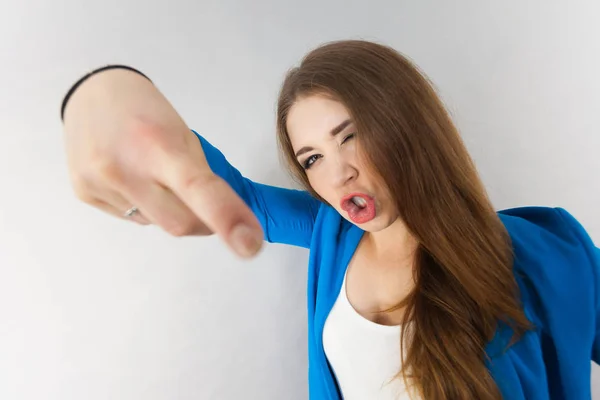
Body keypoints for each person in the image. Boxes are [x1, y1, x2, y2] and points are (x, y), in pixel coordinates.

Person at [60, 40, 599, 399]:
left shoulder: (550, 252)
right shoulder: (331, 234)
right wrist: (104, 86)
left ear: (406, 125)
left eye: (350, 136)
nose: (337, 175)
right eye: (312, 158)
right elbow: (232, 192)